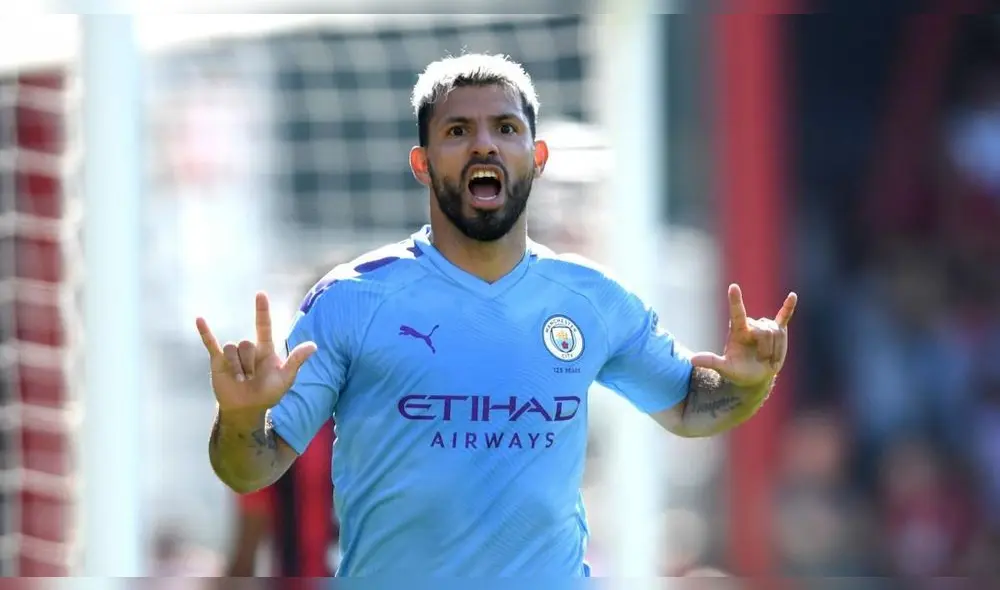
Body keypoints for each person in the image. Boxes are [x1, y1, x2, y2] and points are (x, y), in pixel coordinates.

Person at [197, 53, 798, 577]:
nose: (484, 144)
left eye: (505, 128)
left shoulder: (592, 300)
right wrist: (242, 414)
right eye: (458, 130)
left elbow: (693, 408)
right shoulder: (352, 299)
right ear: (422, 163)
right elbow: (250, 470)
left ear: (535, 156)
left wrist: (748, 380)